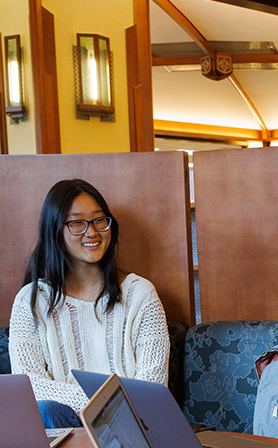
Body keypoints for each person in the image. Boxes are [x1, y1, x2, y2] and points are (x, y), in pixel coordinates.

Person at [9, 178, 170, 428]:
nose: (92, 232)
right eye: (77, 223)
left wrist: (110, 410)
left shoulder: (140, 294)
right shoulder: (30, 300)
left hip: (132, 426)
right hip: (63, 428)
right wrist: (100, 402)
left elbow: (153, 387)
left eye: (99, 220)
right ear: (55, 230)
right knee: (47, 411)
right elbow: (28, 385)